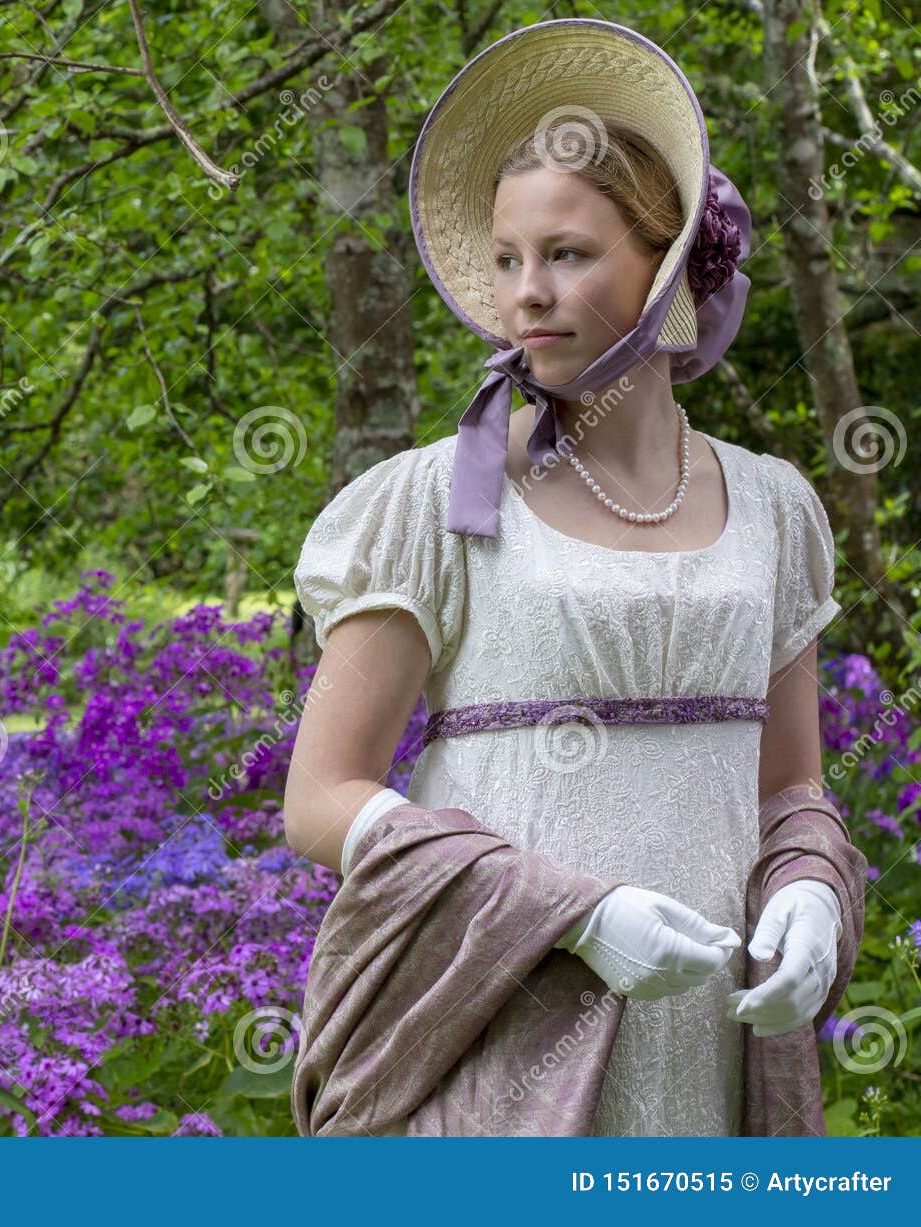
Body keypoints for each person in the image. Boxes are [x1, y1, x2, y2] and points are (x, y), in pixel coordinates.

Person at [283, 19, 860, 1136]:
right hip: (501, 1026)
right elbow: (320, 802)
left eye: (567, 255)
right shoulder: (433, 502)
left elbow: (789, 790)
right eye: (506, 259)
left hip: (711, 1047)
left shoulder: (777, 507)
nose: (524, 294)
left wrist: (807, 885)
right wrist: (572, 918)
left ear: (668, 267)